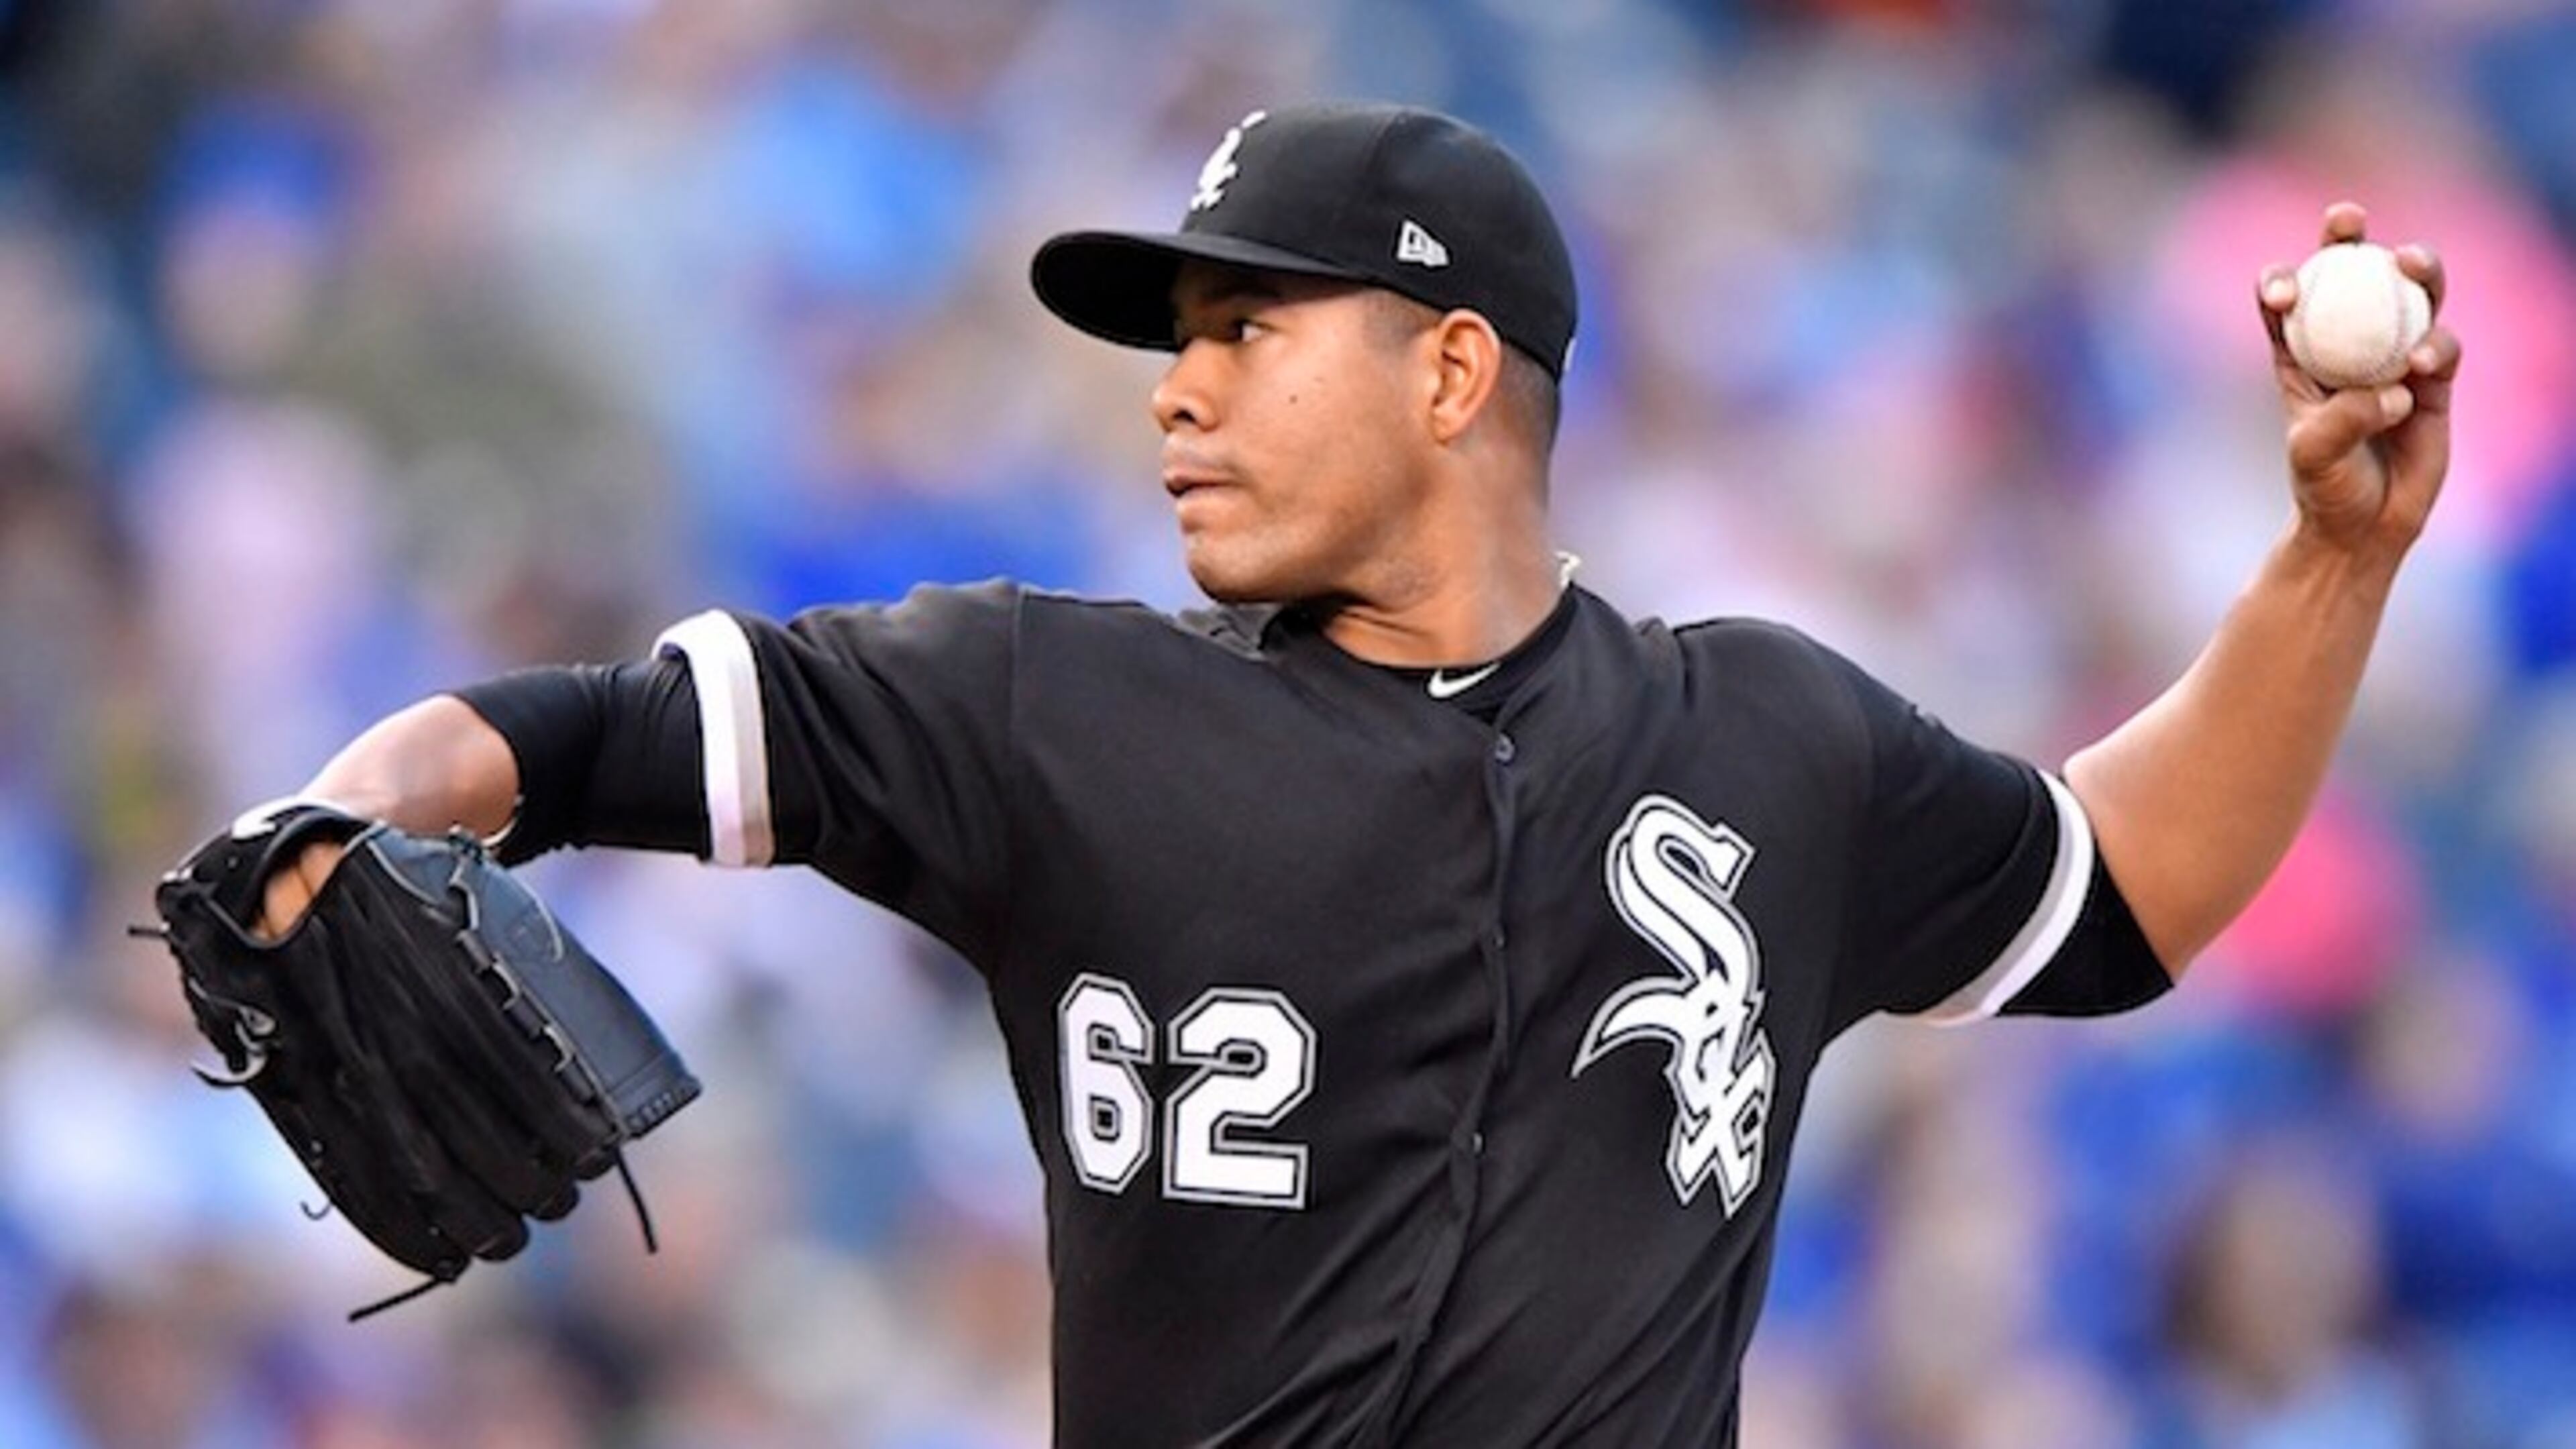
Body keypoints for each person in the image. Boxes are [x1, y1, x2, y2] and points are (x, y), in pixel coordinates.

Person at [238, 102, 2460, 1446]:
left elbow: (2123, 890)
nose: (1176, 398)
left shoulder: (1771, 742)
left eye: (1244, 334)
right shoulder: (1046, 711)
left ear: (1453, 373)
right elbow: (593, 734)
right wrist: (357, 791)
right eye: (1173, 347)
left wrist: (2333, 563)